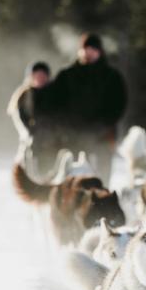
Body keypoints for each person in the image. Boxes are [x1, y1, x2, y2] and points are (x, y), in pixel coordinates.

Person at [42, 33, 127, 184]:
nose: (89, 53)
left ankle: (101, 206)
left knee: (102, 181)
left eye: (93, 49)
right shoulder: (66, 75)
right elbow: (54, 105)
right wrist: (66, 127)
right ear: (79, 51)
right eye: (85, 49)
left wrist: (101, 126)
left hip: (103, 137)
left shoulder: (112, 76)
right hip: (72, 138)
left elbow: (118, 105)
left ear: (100, 51)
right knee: (72, 181)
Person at [7, 61, 55, 170]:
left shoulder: (54, 94)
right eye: (37, 75)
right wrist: (31, 133)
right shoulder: (24, 96)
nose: (40, 78)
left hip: (52, 142)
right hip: (32, 142)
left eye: (43, 75)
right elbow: (20, 120)